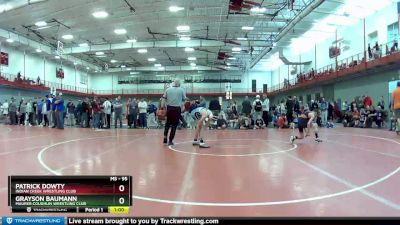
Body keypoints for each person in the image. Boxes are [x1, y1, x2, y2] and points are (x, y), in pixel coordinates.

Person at [162, 79, 186, 146]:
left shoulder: (168, 90)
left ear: (173, 83)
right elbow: (184, 100)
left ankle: (165, 137)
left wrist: (162, 107)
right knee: (174, 126)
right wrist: (183, 106)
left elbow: (163, 100)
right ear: (179, 84)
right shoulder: (181, 90)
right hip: (177, 109)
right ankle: (170, 141)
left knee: (167, 124)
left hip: (169, 108)